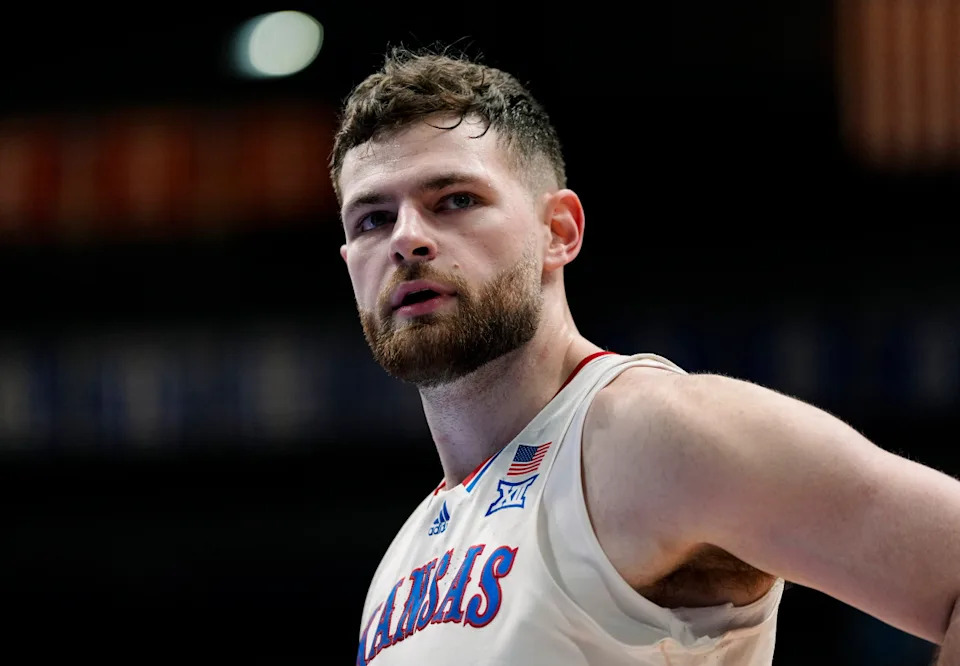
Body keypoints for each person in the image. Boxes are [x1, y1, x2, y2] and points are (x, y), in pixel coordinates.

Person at [330, 46, 960, 665]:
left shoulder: (651, 433)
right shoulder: (404, 558)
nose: (407, 238)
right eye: (372, 220)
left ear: (559, 232)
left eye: (455, 200)